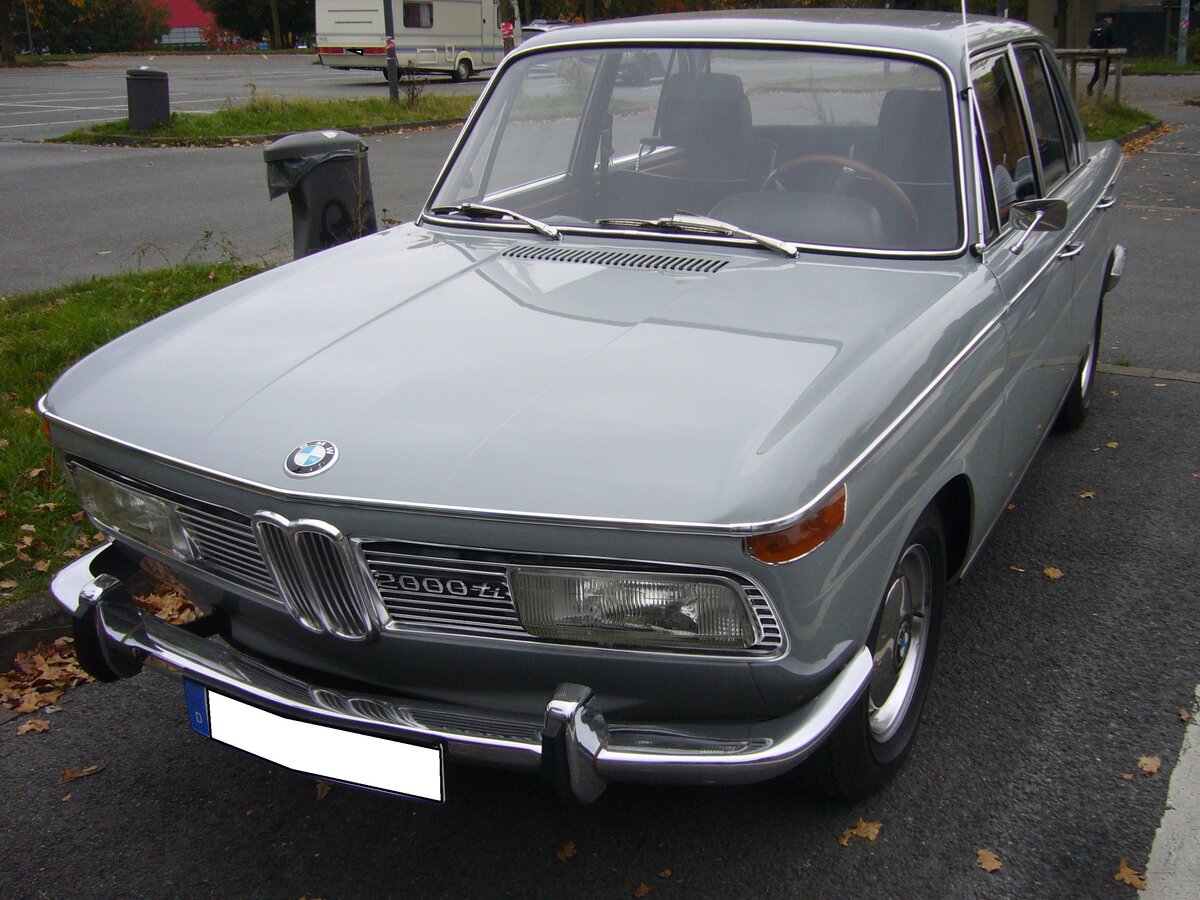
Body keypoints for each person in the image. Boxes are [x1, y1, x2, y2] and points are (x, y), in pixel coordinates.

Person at [1088, 14, 1116, 97]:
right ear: (1109, 18)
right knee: (1105, 72)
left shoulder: (1095, 27)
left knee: (1097, 71)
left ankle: (1090, 85)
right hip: (1105, 53)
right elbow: (1112, 40)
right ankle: (1101, 92)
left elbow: (1090, 41)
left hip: (1096, 52)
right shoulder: (1108, 27)